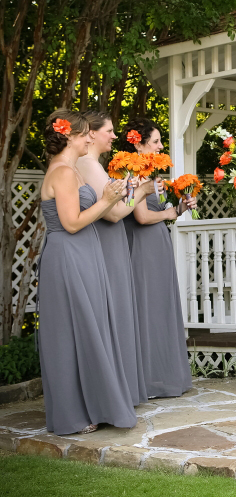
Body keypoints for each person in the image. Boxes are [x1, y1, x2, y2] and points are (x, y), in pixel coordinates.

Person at [37, 109, 136, 435]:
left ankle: (94, 404)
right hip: (68, 255)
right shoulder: (63, 173)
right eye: (84, 134)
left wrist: (117, 196)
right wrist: (106, 199)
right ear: (70, 137)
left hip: (84, 252)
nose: (89, 138)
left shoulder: (71, 170)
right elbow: (71, 223)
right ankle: (73, 413)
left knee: (89, 327)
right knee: (71, 331)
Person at [76, 111, 156, 406]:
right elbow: (114, 213)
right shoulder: (87, 164)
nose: (113, 135)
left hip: (112, 241)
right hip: (106, 240)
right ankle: (114, 395)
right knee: (114, 311)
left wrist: (132, 187)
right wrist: (142, 191)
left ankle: (122, 390)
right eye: (108, 130)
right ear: (92, 133)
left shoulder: (93, 164)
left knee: (119, 311)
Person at [120, 118, 195, 398]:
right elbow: (141, 216)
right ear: (138, 143)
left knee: (161, 305)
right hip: (141, 246)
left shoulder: (151, 175)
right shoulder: (131, 174)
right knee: (147, 306)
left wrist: (179, 208)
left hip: (157, 243)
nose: (161, 146)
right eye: (156, 141)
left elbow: (162, 211)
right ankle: (149, 381)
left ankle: (164, 376)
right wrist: (168, 214)